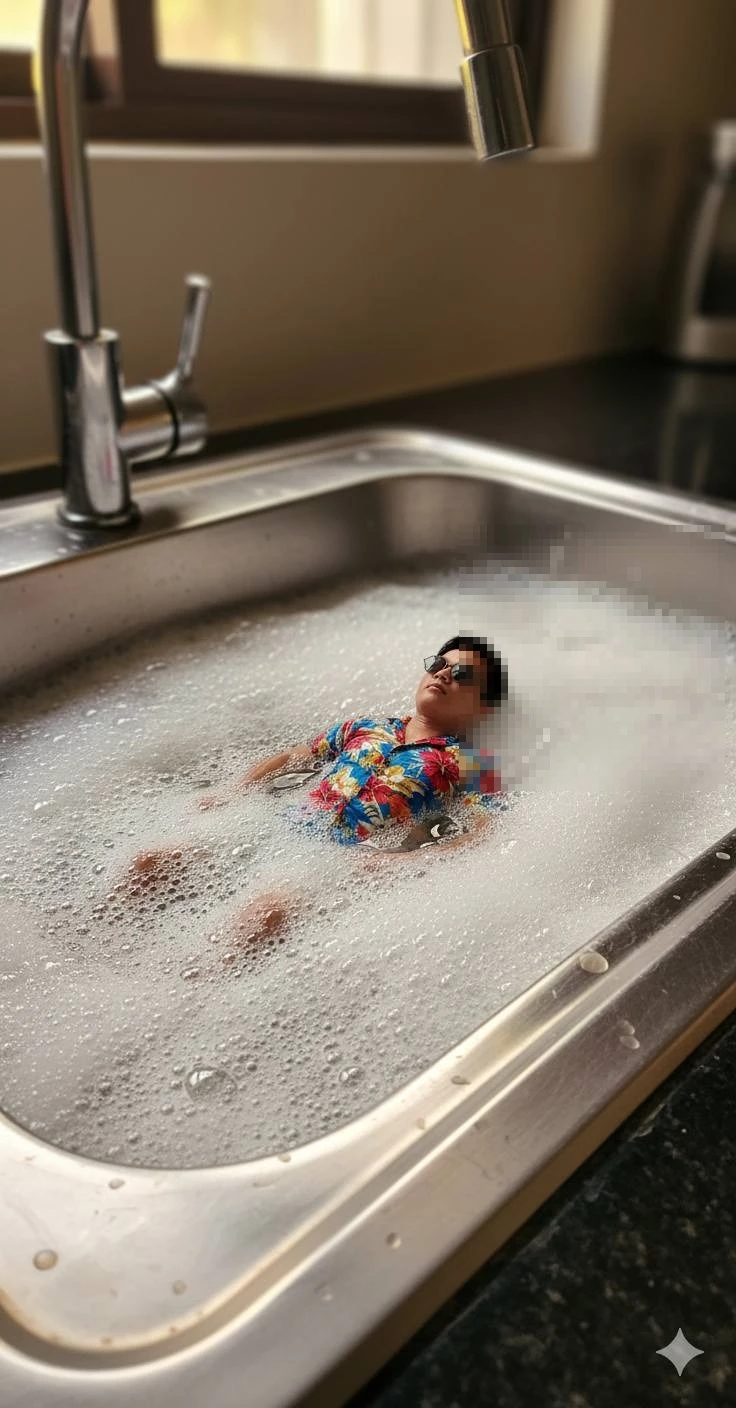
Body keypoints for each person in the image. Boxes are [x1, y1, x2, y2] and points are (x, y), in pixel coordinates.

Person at [118, 636, 509, 954]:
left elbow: (486, 833)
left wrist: (402, 866)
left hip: (336, 861)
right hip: (273, 826)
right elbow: (294, 757)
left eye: (461, 674)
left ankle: (189, 987)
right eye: (438, 664)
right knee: (151, 863)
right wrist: (232, 792)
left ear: (484, 710)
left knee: (265, 914)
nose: (442, 674)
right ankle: (100, 946)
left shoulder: (472, 761)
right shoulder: (367, 725)